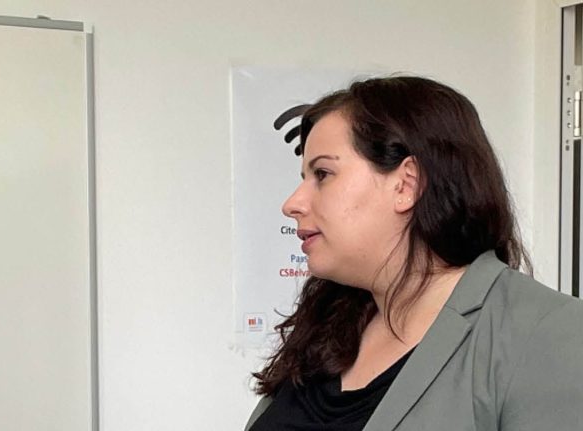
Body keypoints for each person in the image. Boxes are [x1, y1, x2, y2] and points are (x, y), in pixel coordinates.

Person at [246, 76, 583, 430]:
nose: (293, 204)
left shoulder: (545, 332)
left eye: (323, 174)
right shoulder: (328, 324)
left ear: (407, 184)